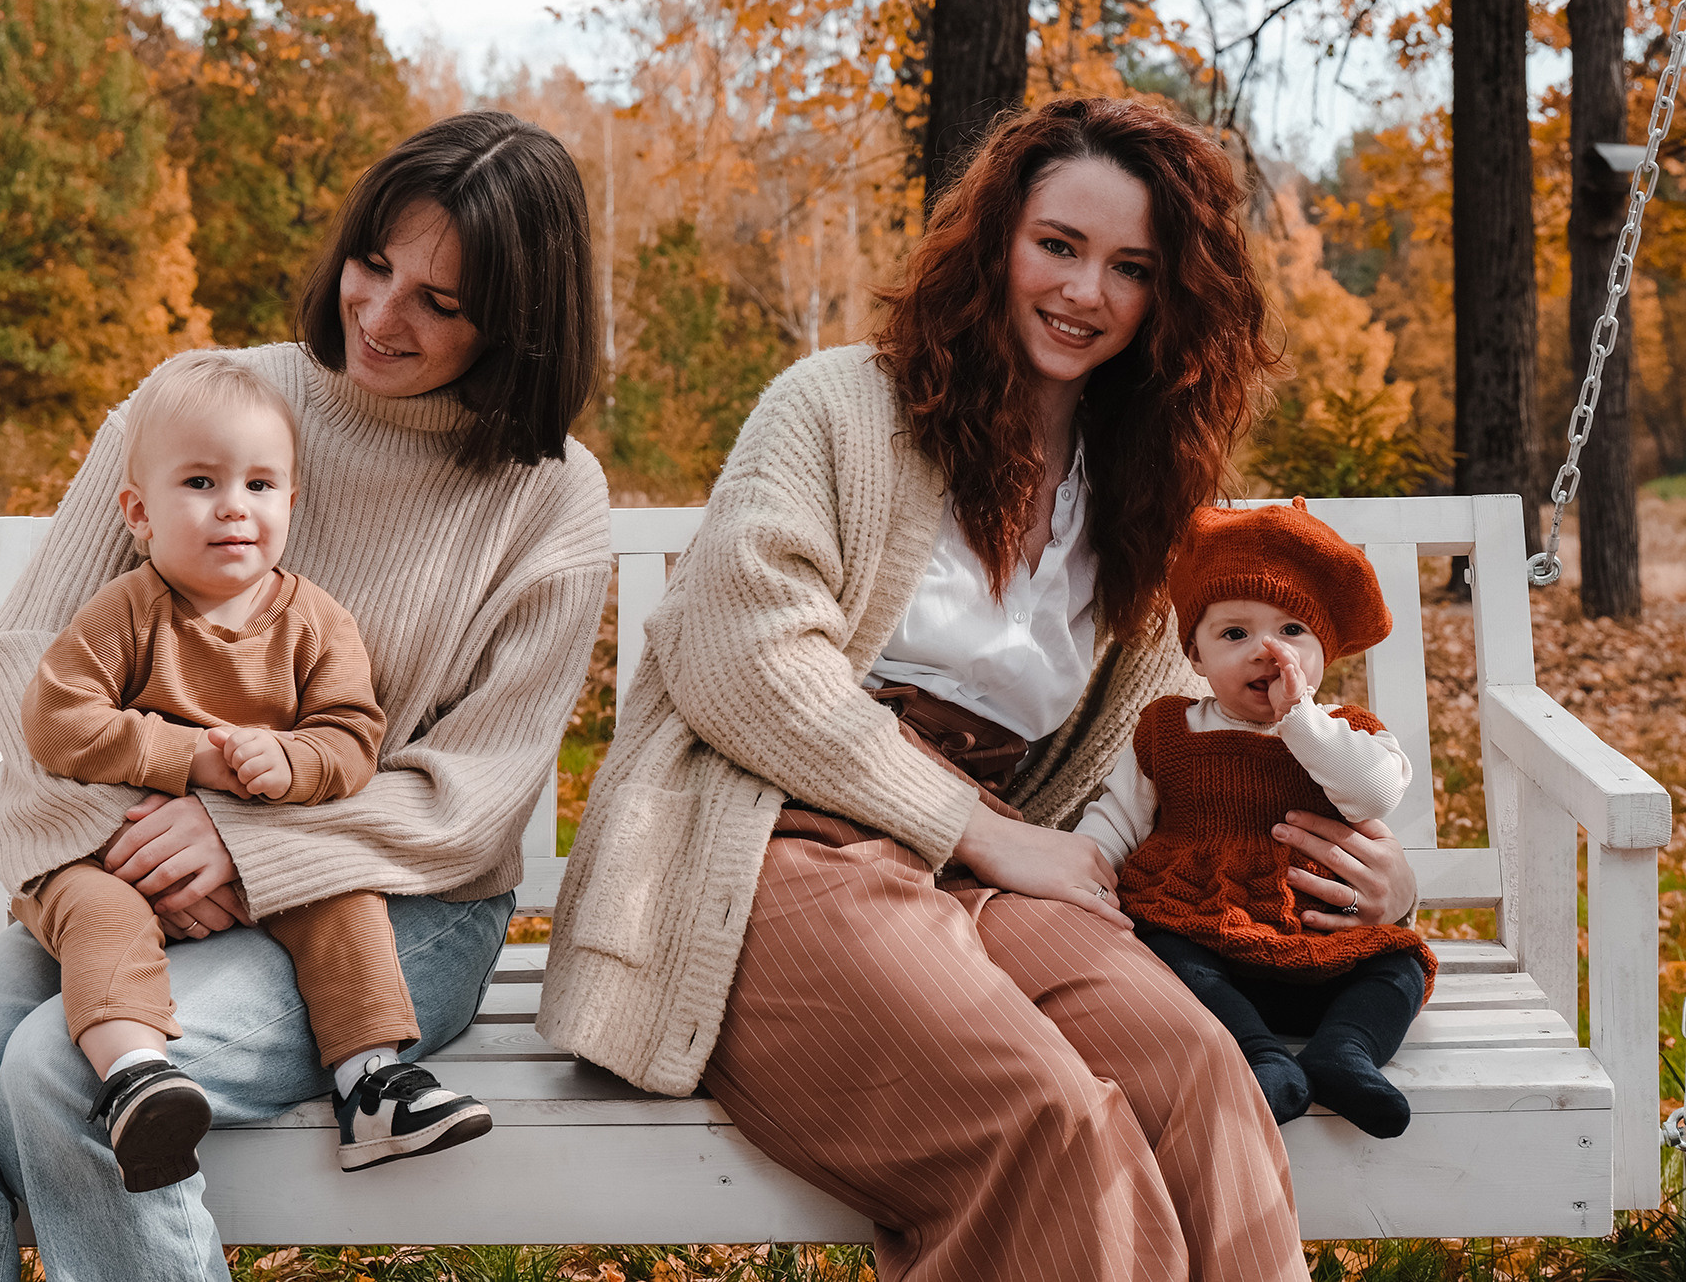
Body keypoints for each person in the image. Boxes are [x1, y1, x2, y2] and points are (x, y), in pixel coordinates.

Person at [540, 96, 1421, 1282]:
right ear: (995, 239)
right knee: (1051, 1123)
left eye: (1130, 267)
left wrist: (1381, 881)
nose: (1084, 291)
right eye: (1056, 244)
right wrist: (976, 830)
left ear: (1169, 297)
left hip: (993, 870)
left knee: (1201, 1078)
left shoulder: (1142, 490)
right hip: (773, 848)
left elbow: (1202, 747)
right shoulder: (837, 407)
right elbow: (738, 657)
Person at [0, 111, 612, 1282]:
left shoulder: (547, 494)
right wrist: (139, 838)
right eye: (372, 263)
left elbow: (475, 793)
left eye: (438, 301)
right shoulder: (206, 405)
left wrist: (245, 842)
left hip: (391, 905)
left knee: (66, 1071)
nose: (379, 314)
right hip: (130, 871)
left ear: (517, 320)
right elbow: (29, 658)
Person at [13, 348, 491, 1193]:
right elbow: (55, 720)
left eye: (260, 484)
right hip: (123, 858)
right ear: (139, 512)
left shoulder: (316, 623)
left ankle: (371, 1081)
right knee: (97, 910)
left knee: (340, 897)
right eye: (201, 482)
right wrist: (189, 755)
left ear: (290, 503)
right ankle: (135, 1077)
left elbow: (352, 741)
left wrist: (291, 759)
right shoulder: (127, 612)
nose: (234, 506)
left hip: (264, 867)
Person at [1072, 501, 1437, 1139]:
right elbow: (1117, 818)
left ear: (1325, 651)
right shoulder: (1170, 729)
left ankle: (1345, 1051)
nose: (1267, 652)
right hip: (1205, 939)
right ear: (1196, 653)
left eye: (1292, 630)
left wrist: (1301, 721)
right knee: (1160, 951)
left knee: (1400, 965)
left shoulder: (1347, 733)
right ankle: (1260, 1057)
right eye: (1234, 634)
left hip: (1324, 944)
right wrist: (1085, 872)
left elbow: (1374, 795)